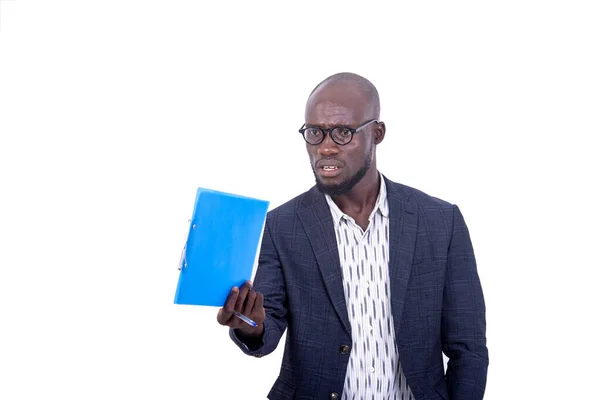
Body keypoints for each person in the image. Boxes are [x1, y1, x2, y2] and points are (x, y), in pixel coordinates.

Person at [216, 72, 488, 400]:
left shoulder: (441, 222)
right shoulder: (282, 225)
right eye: (315, 132)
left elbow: (468, 350)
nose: (326, 147)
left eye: (343, 132)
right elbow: (266, 327)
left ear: (377, 132)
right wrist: (250, 324)